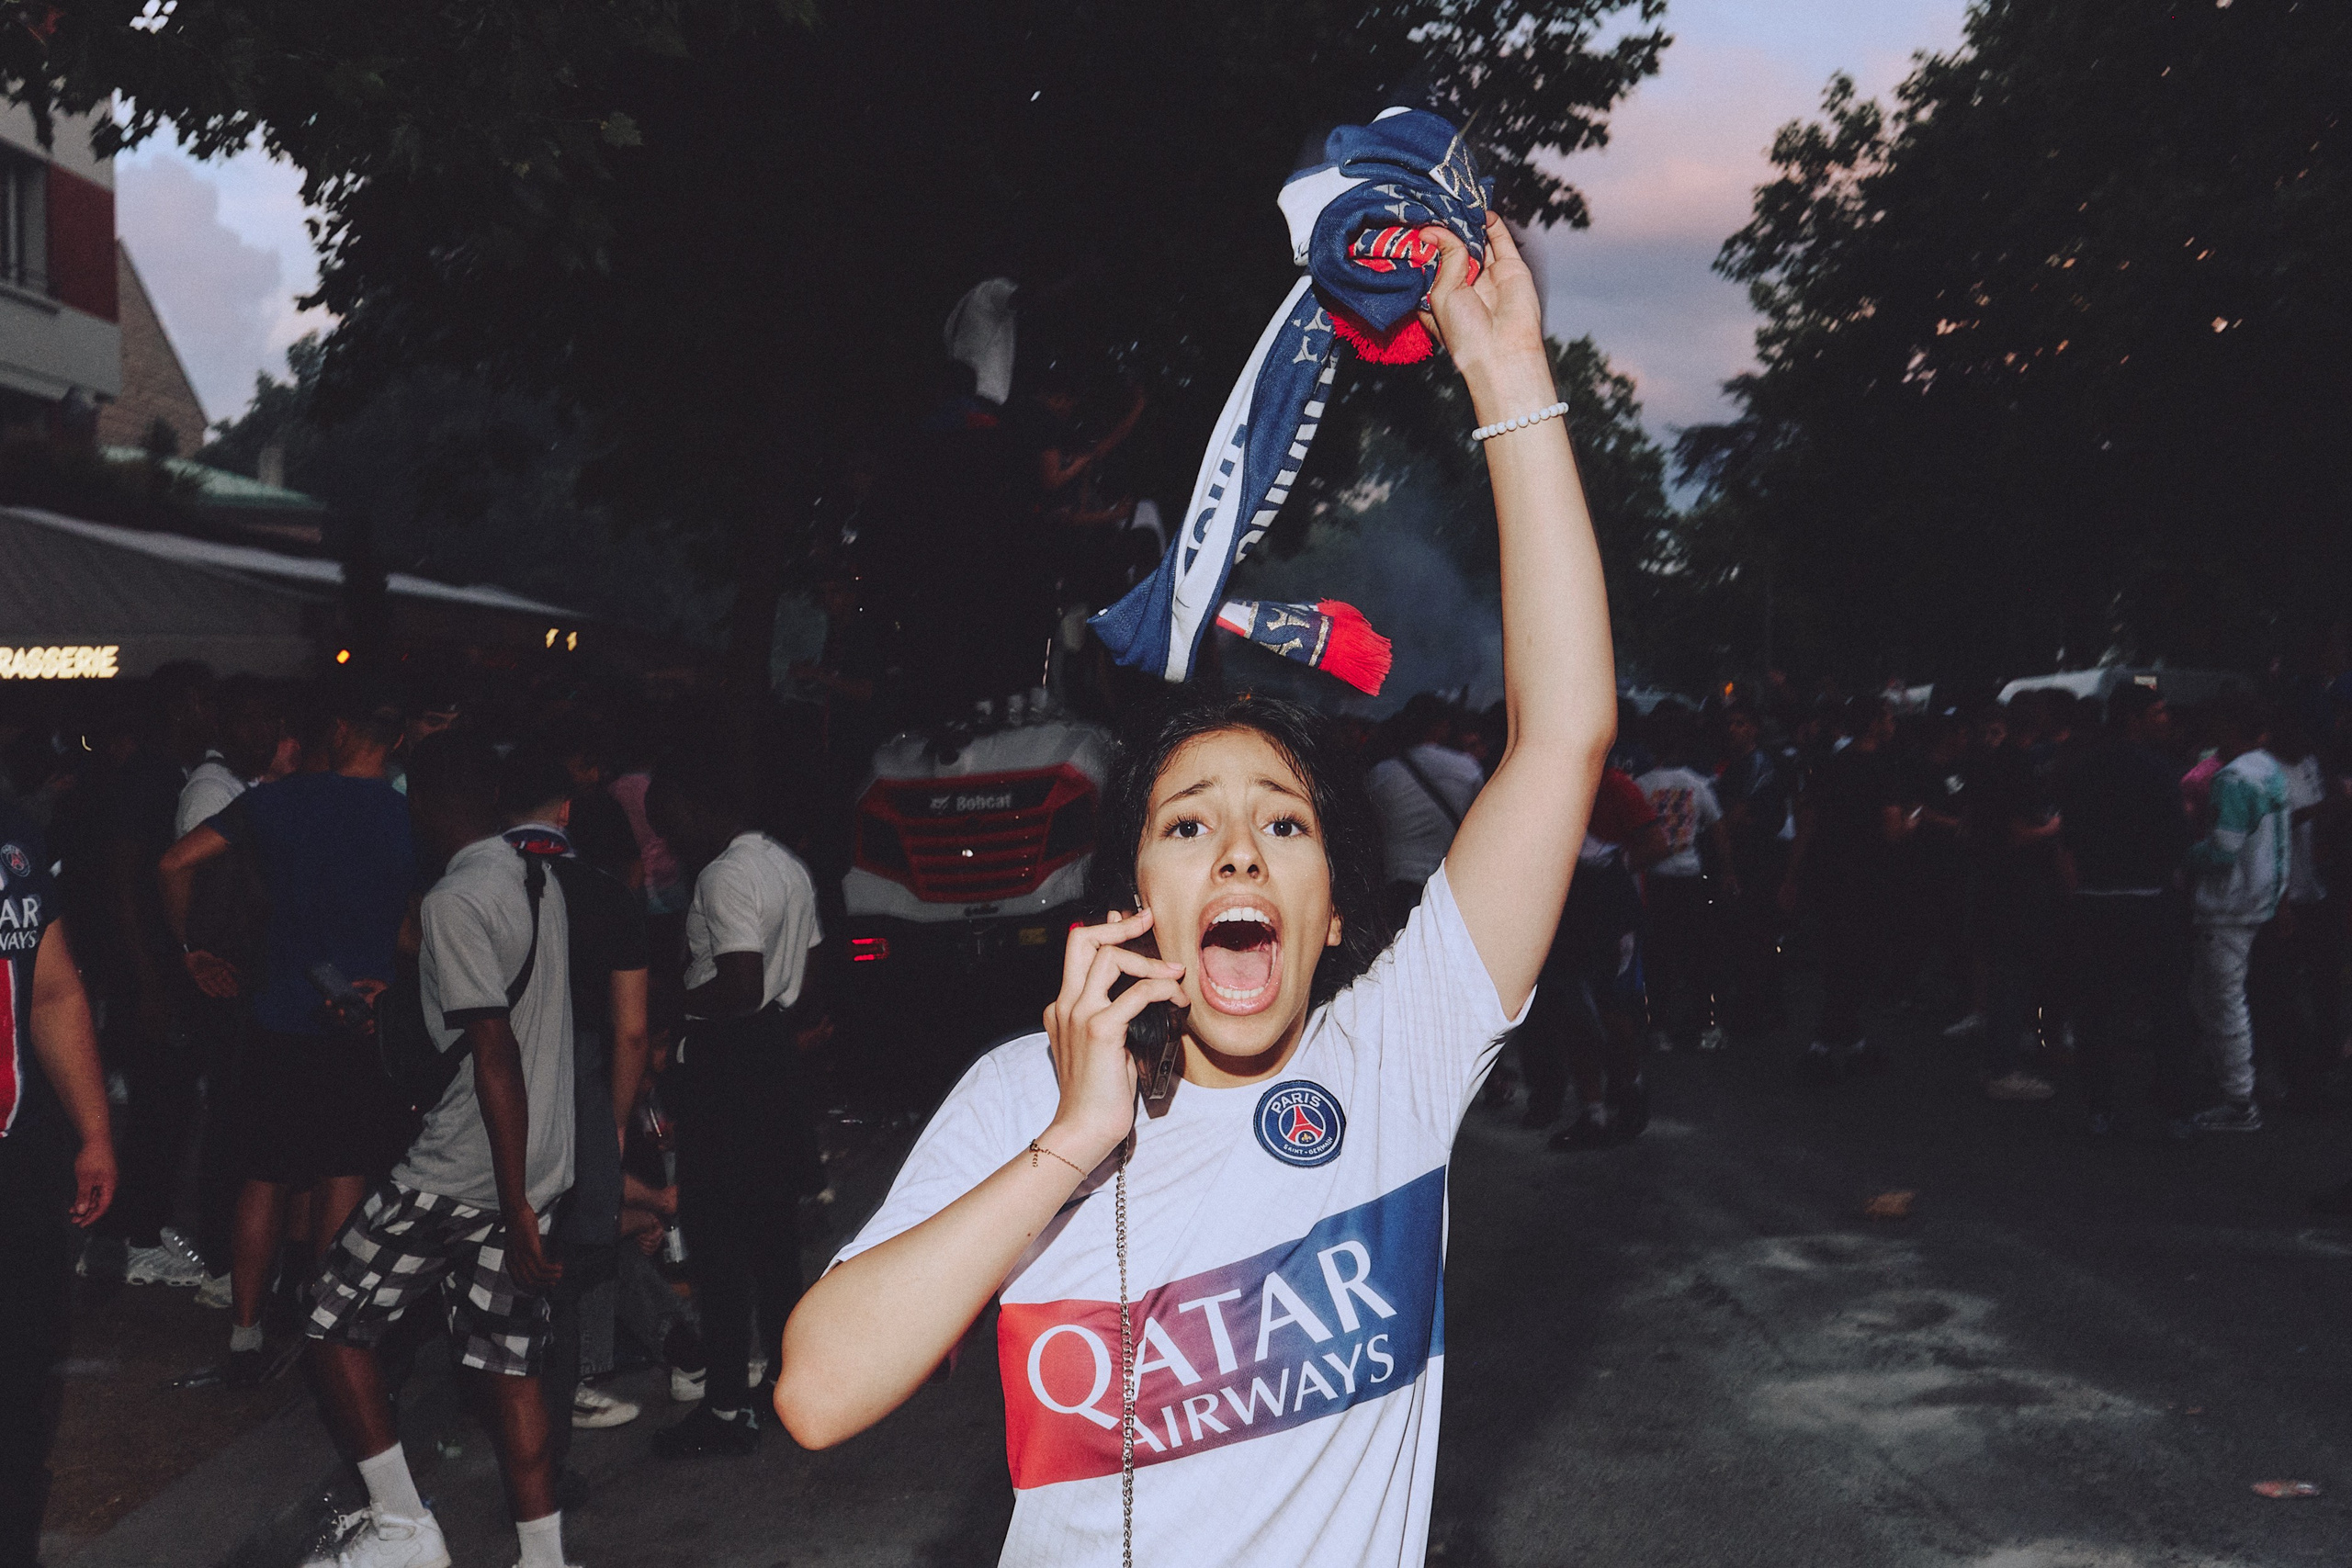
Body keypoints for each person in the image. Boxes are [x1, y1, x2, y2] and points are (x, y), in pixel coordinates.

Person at [775, 211, 1616, 1568]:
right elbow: (818, 1394)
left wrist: (1508, 370)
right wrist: (1073, 1139)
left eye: (1282, 821)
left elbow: (1563, 734)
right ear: (1131, 904)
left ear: (1331, 910)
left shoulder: (1393, 1053)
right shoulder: (1024, 1097)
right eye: (1187, 825)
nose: (1236, 851)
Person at [299, 734, 578, 1568]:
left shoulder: (456, 897)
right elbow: (496, 1013)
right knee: (508, 1367)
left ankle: (403, 1527)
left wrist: (511, 1201)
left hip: (467, 1167)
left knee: (332, 1319)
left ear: (421, 804)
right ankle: (544, 1558)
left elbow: (494, 1052)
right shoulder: (535, 876)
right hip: (536, 1159)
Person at [159, 697, 415, 1385]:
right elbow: (416, 924)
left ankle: (244, 1339)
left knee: (264, 1176)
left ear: (339, 730)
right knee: (341, 1174)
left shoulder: (281, 800)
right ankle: (324, 1336)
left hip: (277, 1013)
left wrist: (192, 949)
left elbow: (175, 862)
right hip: (359, 1020)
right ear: (395, 742)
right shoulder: (407, 815)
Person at [645, 759, 827, 1458]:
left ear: (699, 806)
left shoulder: (723, 876)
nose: (667, 842)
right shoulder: (785, 864)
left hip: (728, 1062)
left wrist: (673, 1004)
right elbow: (811, 971)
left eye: (669, 824)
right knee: (774, 1241)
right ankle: (784, 1382)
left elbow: (741, 983)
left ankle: (724, 1409)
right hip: (774, 1058)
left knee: (717, 1245)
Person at [0, 806, 119, 1568]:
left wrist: (94, 1130)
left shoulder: (14, 837)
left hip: (17, 1161)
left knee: (19, 1375)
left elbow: (51, 991)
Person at [90, 661, 217, 1287]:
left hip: (153, 965)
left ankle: (135, 1228)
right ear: (181, 706)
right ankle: (135, 1236)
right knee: (159, 1104)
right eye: (204, 702)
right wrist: (146, 979)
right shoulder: (149, 776)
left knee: (163, 1103)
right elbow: (123, 878)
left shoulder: (167, 772)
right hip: (148, 967)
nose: (210, 714)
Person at [2055, 686, 2194, 1135]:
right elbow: (2178, 836)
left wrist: (2078, 890)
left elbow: (2067, 838)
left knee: (2095, 1008)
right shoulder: (2160, 769)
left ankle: (2100, 1107)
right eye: (2157, 712)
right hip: (2149, 898)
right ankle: (2176, 1111)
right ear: (2133, 719)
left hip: (2095, 898)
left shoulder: (2081, 767)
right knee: (2166, 1006)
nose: (2165, 719)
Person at [1784, 696, 1912, 1080]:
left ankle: (1847, 1040)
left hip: (1829, 874)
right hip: (1869, 878)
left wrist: (1792, 875)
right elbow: (1892, 830)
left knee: (1839, 957)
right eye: (1887, 718)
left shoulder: (1830, 765)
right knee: (1861, 961)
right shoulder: (1885, 769)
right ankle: (1826, 1044)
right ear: (1874, 724)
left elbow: (1807, 822)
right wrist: (1911, 825)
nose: (1892, 724)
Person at [2184, 696, 2291, 1133]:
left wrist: (2181, 857)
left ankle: (2239, 1102)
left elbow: (2223, 849)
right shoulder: (2270, 769)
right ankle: (2233, 1081)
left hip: (2228, 904)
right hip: (2260, 897)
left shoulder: (2232, 778)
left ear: (2230, 728)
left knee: (2224, 1003)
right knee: (2213, 997)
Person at [1635, 704, 1730, 1051]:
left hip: (1654, 881)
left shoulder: (1640, 786)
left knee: (1657, 956)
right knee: (1699, 955)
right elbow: (1718, 831)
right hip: (1690, 879)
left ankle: (1658, 1028)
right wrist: (1728, 872)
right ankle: (1706, 1026)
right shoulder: (1697, 784)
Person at [1363, 695, 1484, 925]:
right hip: (1449, 890)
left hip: (1395, 893)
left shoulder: (1380, 774)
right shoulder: (1468, 769)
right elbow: (1480, 832)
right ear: (1443, 727)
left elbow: (1369, 834)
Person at [1713, 701, 1790, 1039]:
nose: (1733, 729)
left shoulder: (1758, 766)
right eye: (1730, 723)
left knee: (1755, 935)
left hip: (1758, 861)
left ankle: (1760, 1009)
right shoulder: (1735, 767)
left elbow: (1736, 816)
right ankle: (1758, 1007)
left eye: (1741, 723)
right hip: (1746, 859)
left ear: (1754, 729)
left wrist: (1725, 825)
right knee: (1747, 936)